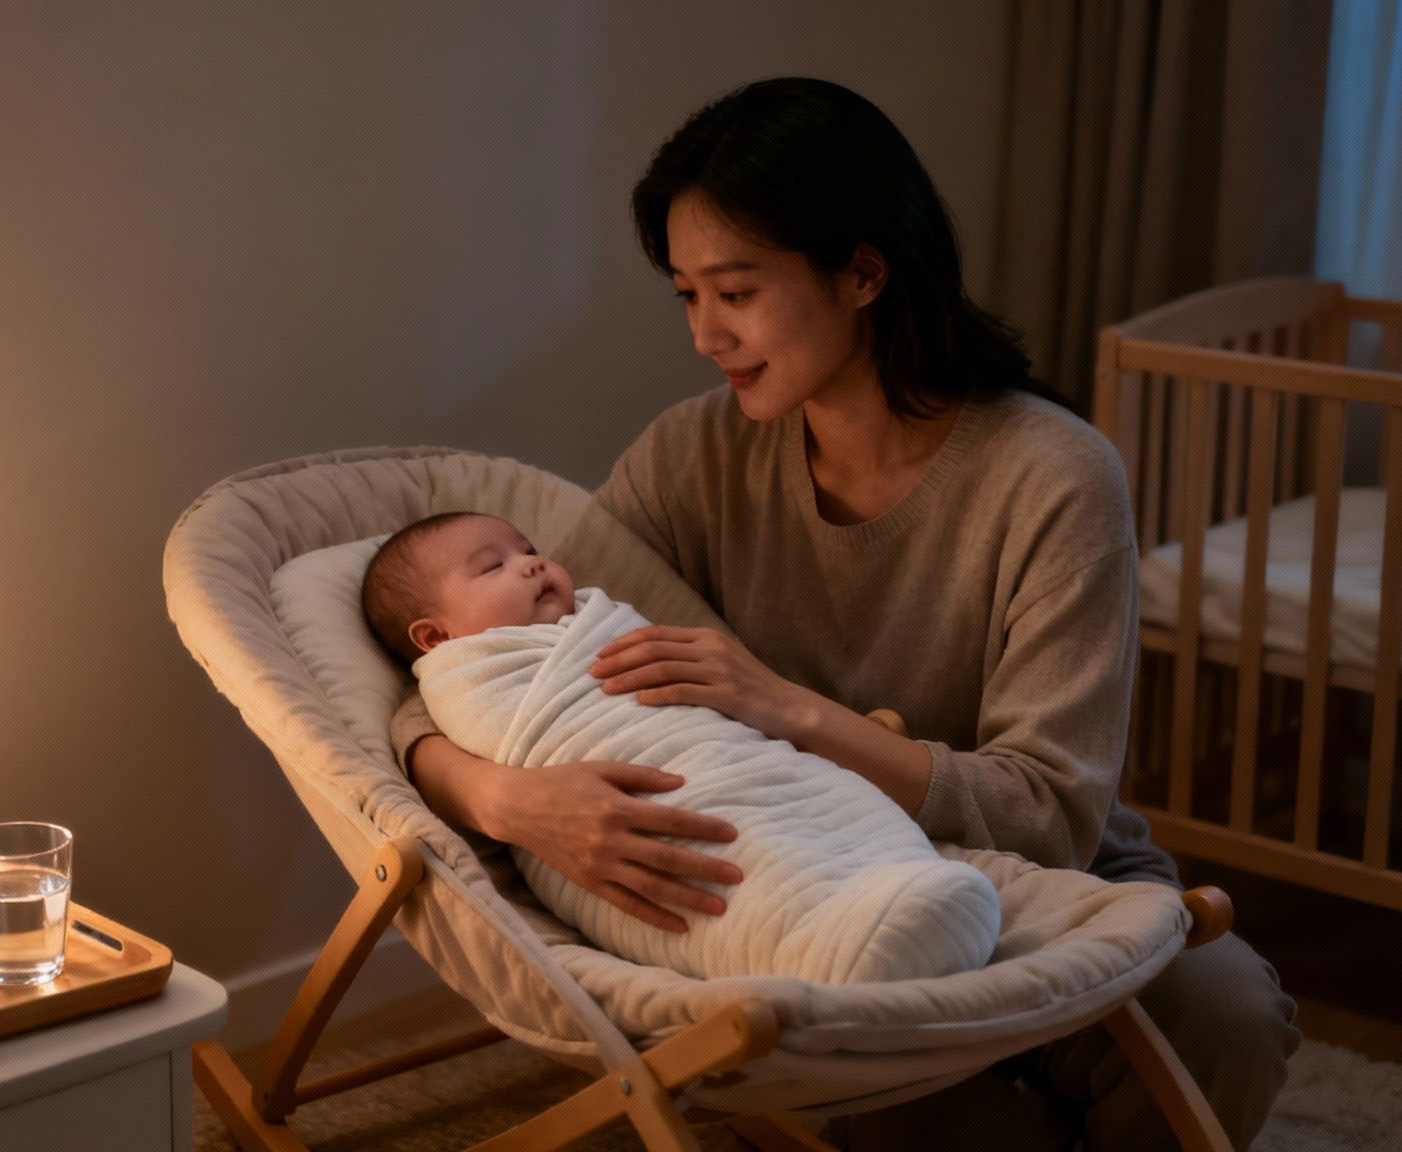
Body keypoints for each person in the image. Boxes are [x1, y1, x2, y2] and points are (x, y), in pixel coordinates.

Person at [390, 77, 1298, 1150]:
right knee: (902, 1100)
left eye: (734, 291)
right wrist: (500, 798)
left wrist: (789, 709)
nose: (704, 335)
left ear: (863, 271)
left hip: (1038, 881)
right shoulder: (693, 455)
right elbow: (478, 673)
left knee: (1229, 1019)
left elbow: (1049, 811)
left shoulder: (1051, 475)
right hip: (804, 890)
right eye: (685, 295)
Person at [361, 510, 1000, 986]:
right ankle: (828, 947)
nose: (532, 563)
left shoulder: (595, 615)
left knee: (827, 801)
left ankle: (903, 881)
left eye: (529, 550)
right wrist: (498, 796)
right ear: (435, 638)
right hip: (624, 805)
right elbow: (448, 721)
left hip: (728, 755)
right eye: (491, 566)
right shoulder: (463, 678)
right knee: (724, 860)